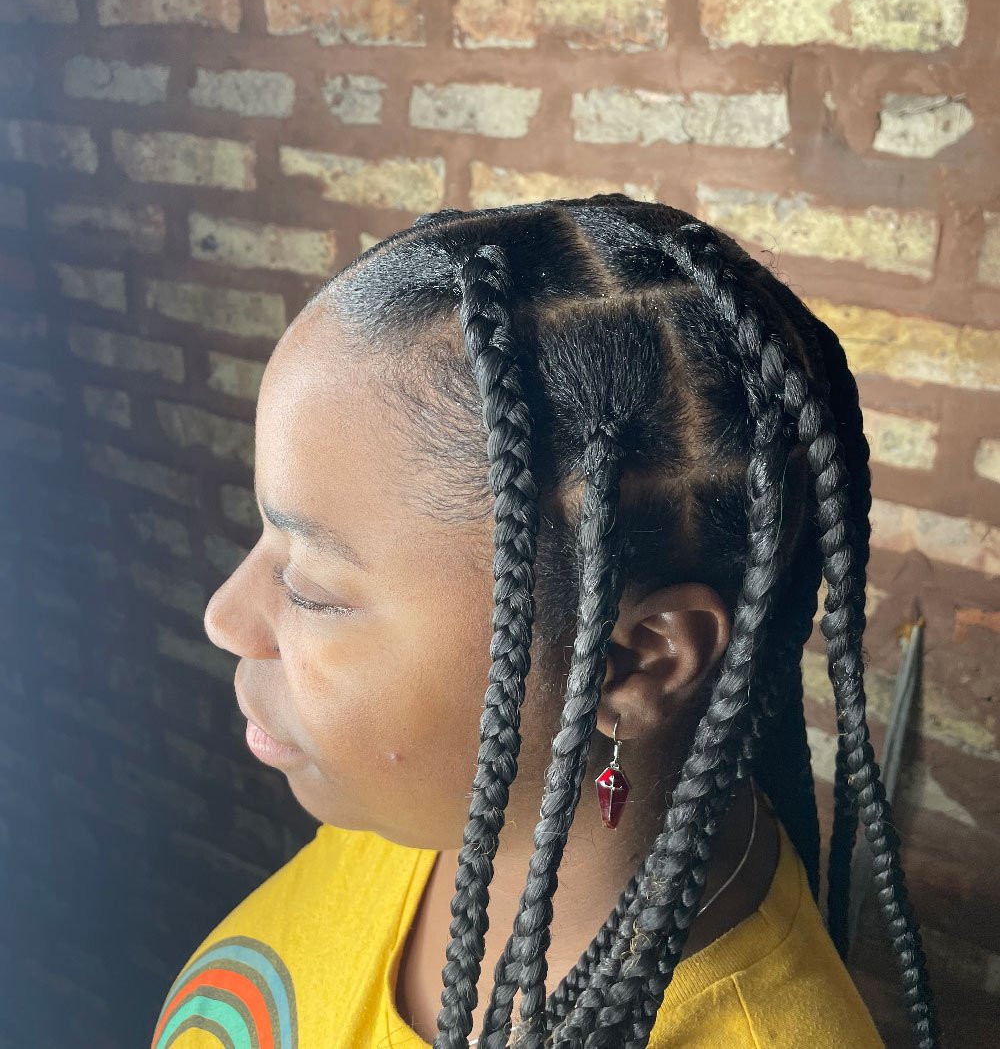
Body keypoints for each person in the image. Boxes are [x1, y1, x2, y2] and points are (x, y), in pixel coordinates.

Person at [150, 195, 938, 1049]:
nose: (224, 616)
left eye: (311, 588)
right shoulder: (435, 804)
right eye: (266, 535)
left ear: (637, 661)